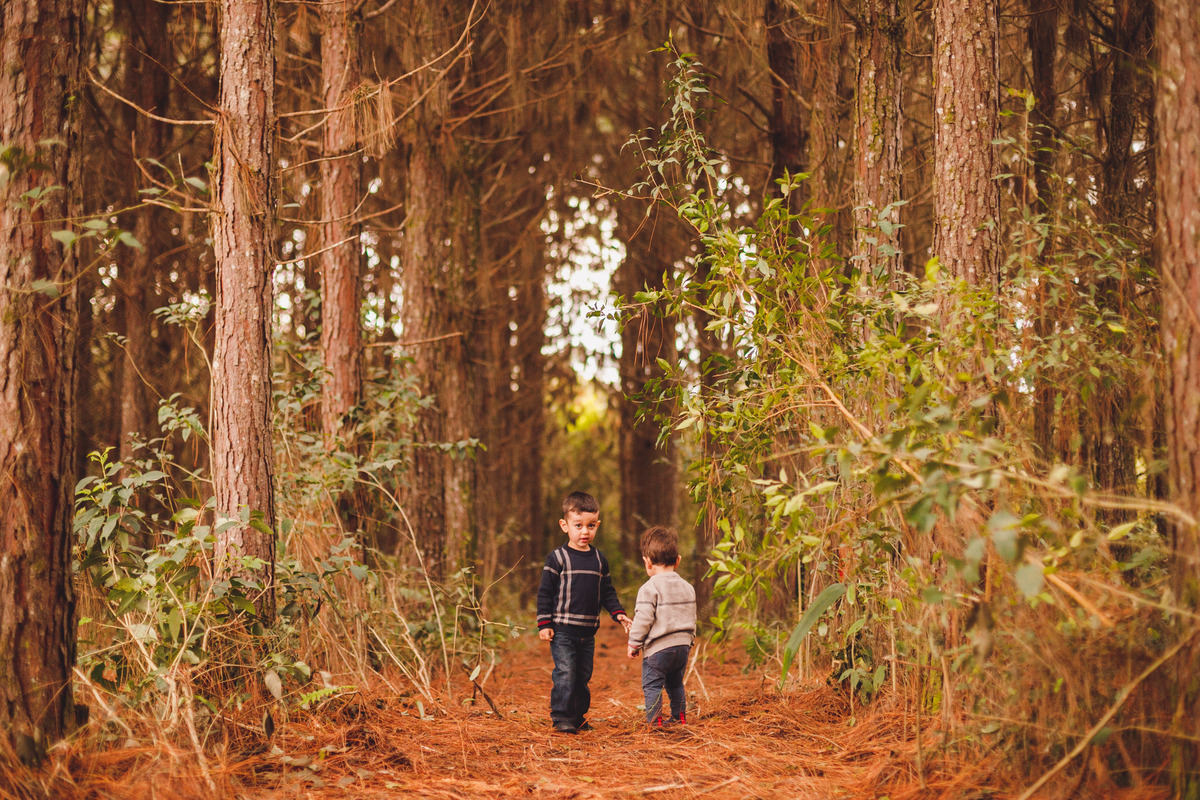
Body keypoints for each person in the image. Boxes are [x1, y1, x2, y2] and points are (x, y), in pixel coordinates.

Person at [537, 491, 631, 734]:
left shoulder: (599, 559)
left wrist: (618, 613)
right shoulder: (557, 558)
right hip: (563, 631)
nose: (584, 532)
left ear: (597, 525)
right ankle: (561, 717)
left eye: (590, 525)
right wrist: (544, 624)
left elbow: (607, 591)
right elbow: (545, 592)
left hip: (588, 633)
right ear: (565, 526)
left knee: (582, 675)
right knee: (565, 672)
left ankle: (578, 716)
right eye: (578, 525)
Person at [626, 525, 697, 729]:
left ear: (647, 562)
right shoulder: (688, 587)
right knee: (675, 684)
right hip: (682, 647)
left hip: (658, 650)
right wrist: (689, 641)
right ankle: (679, 717)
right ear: (678, 560)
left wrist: (634, 643)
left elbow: (643, 619)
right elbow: (692, 616)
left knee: (653, 685)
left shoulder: (649, 588)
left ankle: (655, 722)